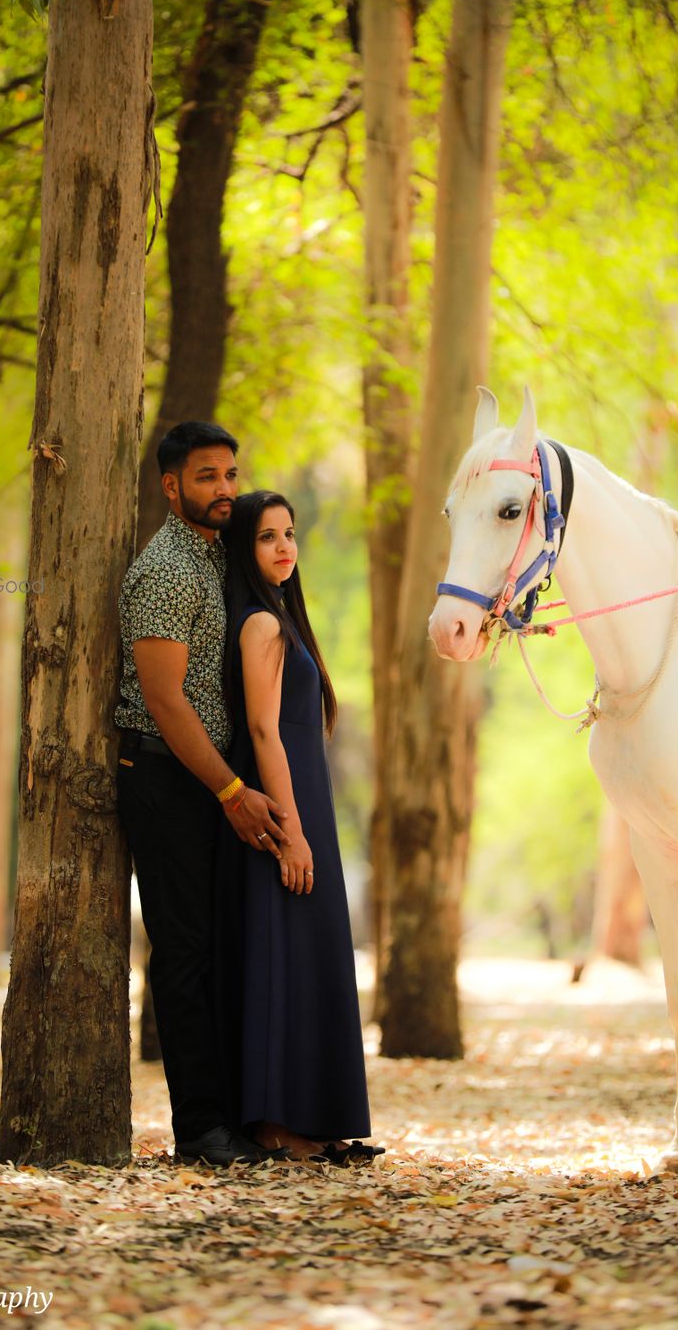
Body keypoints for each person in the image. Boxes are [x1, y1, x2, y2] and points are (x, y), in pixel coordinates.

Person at [114, 422, 292, 1167]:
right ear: (171, 486)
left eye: (230, 474)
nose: (224, 489)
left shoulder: (214, 558)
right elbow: (163, 699)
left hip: (208, 778)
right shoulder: (165, 570)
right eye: (207, 477)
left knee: (215, 945)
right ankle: (201, 1134)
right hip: (165, 775)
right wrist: (228, 789)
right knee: (183, 949)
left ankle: (239, 1119)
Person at [216, 490, 381, 1163]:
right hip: (284, 813)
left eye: (289, 534)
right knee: (279, 957)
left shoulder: (283, 617)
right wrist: (291, 831)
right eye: (266, 537)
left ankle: (309, 1121)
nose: (284, 548)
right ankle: (274, 1126)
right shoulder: (259, 624)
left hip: (305, 807)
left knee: (308, 958)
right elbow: (262, 731)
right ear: (243, 550)